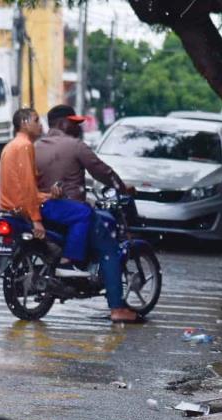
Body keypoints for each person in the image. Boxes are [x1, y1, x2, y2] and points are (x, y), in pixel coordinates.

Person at [34, 104, 140, 323]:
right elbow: (102, 171)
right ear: (63, 123)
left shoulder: (36, 148)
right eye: (74, 123)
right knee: (109, 249)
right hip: (71, 210)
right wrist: (122, 187)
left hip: (42, 210)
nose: (78, 127)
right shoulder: (75, 146)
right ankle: (117, 308)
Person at [0, 108, 45, 240]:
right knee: (80, 213)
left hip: (9, 207)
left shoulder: (11, 145)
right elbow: (28, 185)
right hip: (21, 208)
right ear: (24, 123)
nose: (40, 125)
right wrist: (36, 219)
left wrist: (47, 196)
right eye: (36, 120)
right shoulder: (25, 145)